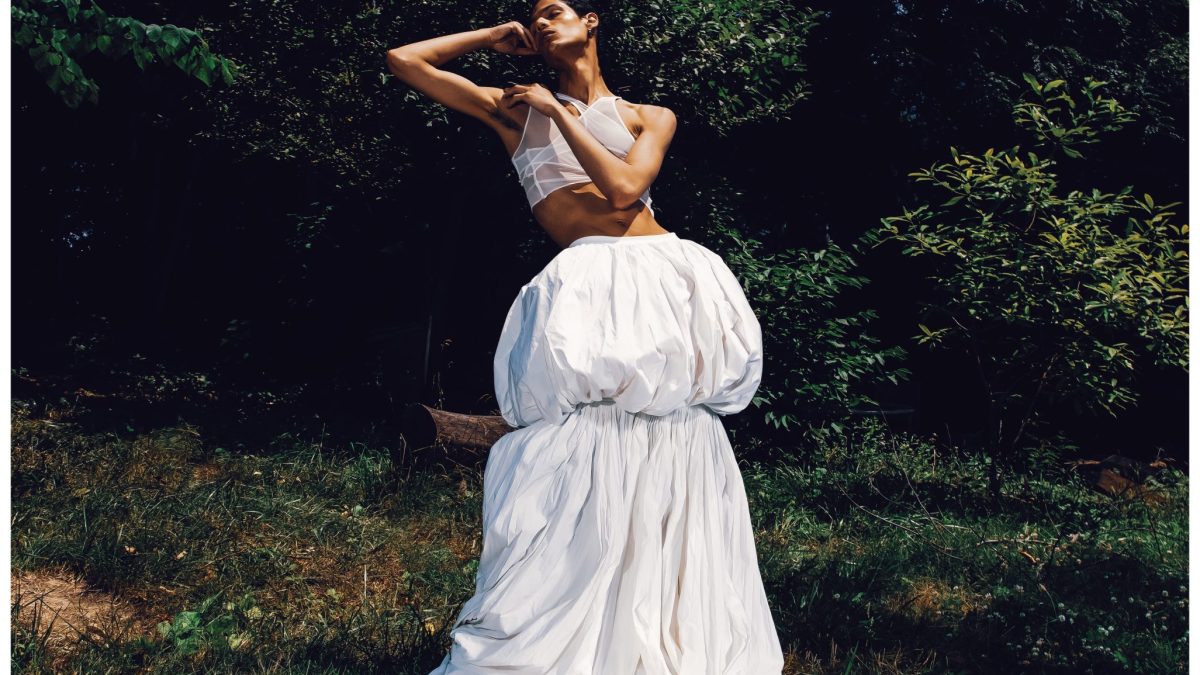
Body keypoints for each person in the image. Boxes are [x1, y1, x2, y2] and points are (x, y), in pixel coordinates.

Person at [387, 2, 785, 672]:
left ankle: (669, 618)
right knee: (584, 438)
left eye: (553, 11)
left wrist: (560, 110)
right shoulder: (514, 110)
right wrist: (492, 36)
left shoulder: (649, 116)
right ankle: (583, 613)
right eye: (533, 18)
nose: (541, 22)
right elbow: (404, 61)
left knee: (677, 429)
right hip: (589, 273)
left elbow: (626, 188)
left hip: (666, 270)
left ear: (591, 21)